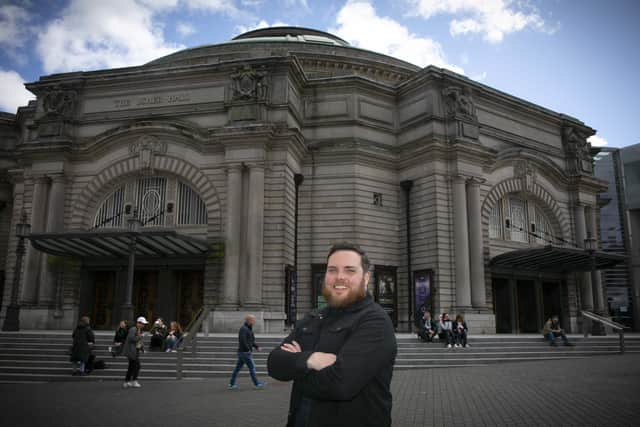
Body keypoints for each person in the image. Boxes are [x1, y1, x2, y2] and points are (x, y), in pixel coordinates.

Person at [267, 242, 397, 427]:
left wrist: (296, 367)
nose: (339, 277)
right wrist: (311, 359)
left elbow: (340, 385)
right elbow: (274, 363)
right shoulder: (313, 317)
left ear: (366, 278)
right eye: (332, 270)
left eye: (350, 270)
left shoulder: (375, 321)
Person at [228, 314, 266, 389]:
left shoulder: (248, 328)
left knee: (237, 369)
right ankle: (257, 384)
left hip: (243, 352)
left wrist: (256, 347)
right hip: (245, 353)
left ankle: (231, 384)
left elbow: (250, 341)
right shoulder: (244, 329)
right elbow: (243, 341)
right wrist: (248, 350)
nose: (254, 321)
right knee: (252, 368)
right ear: (249, 321)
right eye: (253, 320)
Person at [122, 316, 148, 388]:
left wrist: (142, 349)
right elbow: (132, 338)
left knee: (132, 366)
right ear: (138, 323)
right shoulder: (133, 329)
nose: (143, 325)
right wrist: (142, 336)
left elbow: (139, 341)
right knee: (137, 366)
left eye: (144, 324)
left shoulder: (138, 330)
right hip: (131, 351)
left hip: (134, 351)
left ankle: (127, 381)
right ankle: (134, 381)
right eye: (142, 323)